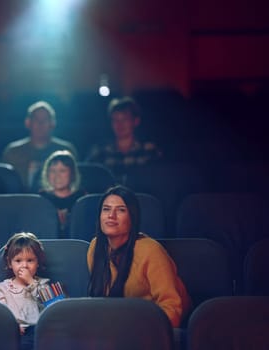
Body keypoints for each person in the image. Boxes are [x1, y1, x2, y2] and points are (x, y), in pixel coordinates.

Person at [87, 185, 190, 328]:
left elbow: (172, 309)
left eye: (121, 210)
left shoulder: (150, 250)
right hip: (113, 328)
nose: (111, 215)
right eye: (106, 209)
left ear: (132, 218)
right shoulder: (95, 247)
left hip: (148, 330)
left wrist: (139, 330)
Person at [2, 101, 78, 191]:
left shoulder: (66, 151)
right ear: (28, 123)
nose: (40, 124)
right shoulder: (12, 152)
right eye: (36, 119)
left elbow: (75, 183)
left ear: (52, 124)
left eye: (45, 120)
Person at [0, 232, 50, 350]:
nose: (24, 265)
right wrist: (11, 325)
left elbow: (53, 305)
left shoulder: (43, 284)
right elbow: (0, 313)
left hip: (38, 331)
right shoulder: (2, 288)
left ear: (38, 262)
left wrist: (31, 282)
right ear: (9, 263)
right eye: (18, 261)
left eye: (30, 260)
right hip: (14, 332)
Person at [85, 96, 162, 179]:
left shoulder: (149, 150)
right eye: (115, 119)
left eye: (124, 119)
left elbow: (161, 180)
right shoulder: (100, 151)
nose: (119, 124)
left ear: (136, 121)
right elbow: (85, 177)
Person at [39, 150, 87, 237]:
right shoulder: (41, 198)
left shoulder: (81, 197)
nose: (57, 175)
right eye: (52, 171)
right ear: (47, 174)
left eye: (62, 170)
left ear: (72, 174)